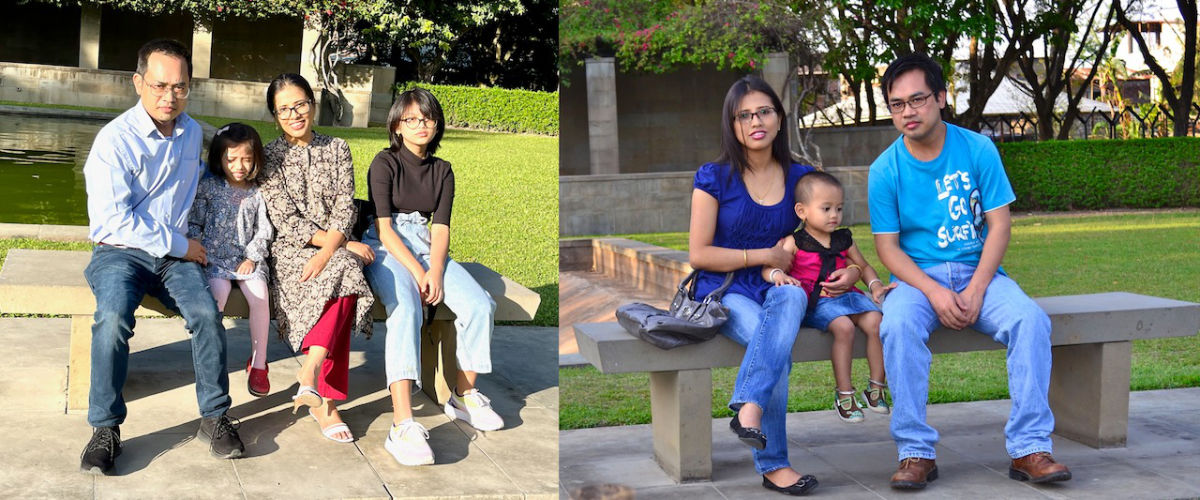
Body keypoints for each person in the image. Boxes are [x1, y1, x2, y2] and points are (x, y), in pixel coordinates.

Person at [868, 53, 1071, 489]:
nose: (908, 111)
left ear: (941, 97)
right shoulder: (884, 169)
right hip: (916, 280)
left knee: (1030, 320)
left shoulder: (977, 149)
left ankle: (1030, 448)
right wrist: (934, 292)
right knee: (897, 325)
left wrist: (977, 288)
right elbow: (887, 248)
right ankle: (915, 453)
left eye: (918, 99)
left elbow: (1000, 225)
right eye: (897, 104)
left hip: (979, 272)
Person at [689, 75, 861, 496]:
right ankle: (774, 463)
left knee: (790, 297)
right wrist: (763, 255)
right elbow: (699, 254)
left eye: (764, 111)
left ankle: (748, 409)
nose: (755, 122)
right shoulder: (714, 177)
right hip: (726, 288)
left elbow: (832, 239)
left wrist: (855, 273)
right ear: (732, 125)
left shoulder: (802, 179)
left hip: (784, 286)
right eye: (743, 115)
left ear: (780, 119)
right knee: (774, 350)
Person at [80, 38, 244, 474]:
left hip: (174, 258)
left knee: (207, 315)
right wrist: (182, 246)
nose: (169, 96)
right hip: (121, 253)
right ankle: (105, 428)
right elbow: (113, 222)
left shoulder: (191, 133)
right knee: (112, 319)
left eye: (180, 86)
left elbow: (206, 180)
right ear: (138, 83)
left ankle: (214, 416)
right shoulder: (115, 140)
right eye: (159, 85)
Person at [361, 88, 501, 467]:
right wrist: (419, 272)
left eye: (427, 118)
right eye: (411, 119)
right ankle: (402, 424)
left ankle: (463, 395)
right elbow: (384, 229)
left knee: (480, 305)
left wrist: (435, 270)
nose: (420, 125)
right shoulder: (384, 163)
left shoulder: (443, 170)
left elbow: (440, 228)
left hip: (427, 246)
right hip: (388, 247)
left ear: (437, 125)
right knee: (406, 309)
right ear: (396, 125)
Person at [259, 73, 376, 443]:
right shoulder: (269, 157)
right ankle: (325, 400)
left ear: (313, 104)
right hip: (291, 252)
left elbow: (345, 208)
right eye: (284, 109)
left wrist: (330, 251)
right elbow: (286, 220)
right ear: (274, 115)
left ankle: (310, 374)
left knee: (345, 270)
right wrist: (341, 248)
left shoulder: (338, 148)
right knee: (347, 269)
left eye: (300, 105)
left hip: (334, 246)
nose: (294, 114)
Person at [760, 171, 894, 423]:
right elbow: (768, 268)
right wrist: (779, 275)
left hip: (850, 297)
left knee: (877, 322)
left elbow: (863, 266)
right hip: (818, 302)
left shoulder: (844, 239)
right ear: (802, 211)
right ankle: (844, 394)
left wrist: (875, 286)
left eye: (839, 208)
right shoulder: (795, 242)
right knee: (844, 327)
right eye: (826, 208)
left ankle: (876, 387)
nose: (834, 215)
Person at [187, 123, 273, 397]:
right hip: (214, 259)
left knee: (260, 296)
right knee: (218, 296)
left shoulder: (258, 192)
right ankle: (212, 361)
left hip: (247, 260)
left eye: (246, 159)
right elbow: (195, 222)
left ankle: (259, 363)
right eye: (231, 159)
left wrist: (252, 257)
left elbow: (264, 230)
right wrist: (197, 248)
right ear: (219, 158)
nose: (239, 166)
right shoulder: (209, 187)